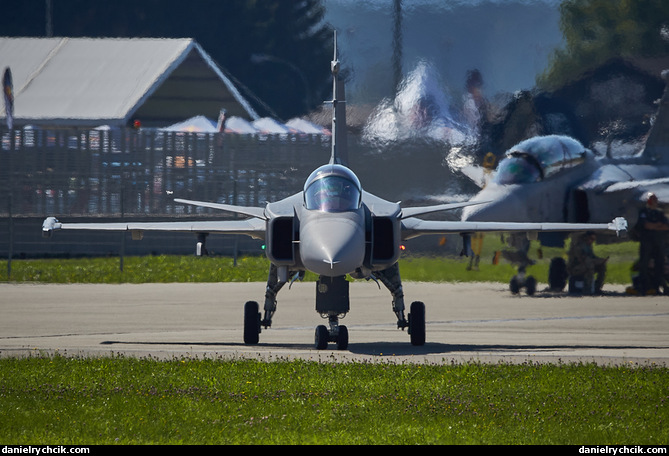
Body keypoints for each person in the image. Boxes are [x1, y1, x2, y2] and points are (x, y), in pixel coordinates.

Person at [636, 192, 669, 295]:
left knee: (659, 265)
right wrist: (657, 225)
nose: (655, 202)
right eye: (652, 200)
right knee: (644, 265)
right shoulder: (643, 212)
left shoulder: (659, 213)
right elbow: (646, 225)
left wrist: (654, 226)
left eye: (655, 200)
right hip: (646, 243)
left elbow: (666, 226)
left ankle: (657, 287)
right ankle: (644, 288)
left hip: (658, 243)